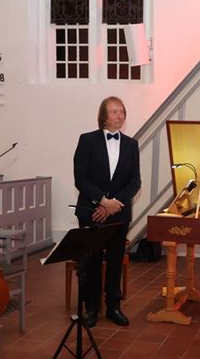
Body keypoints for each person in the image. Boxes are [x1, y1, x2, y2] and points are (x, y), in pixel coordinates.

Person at [73, 96, 141, 328]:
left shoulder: (132, 144)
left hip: (119, 214)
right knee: (91, 261)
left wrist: (113, 204)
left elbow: (135, 182)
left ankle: (113, 306)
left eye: (122, 111)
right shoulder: (87, 140)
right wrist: (102, 201)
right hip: (91, 211)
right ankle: (91, 308)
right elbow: (80, 178)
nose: (119, 116)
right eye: (114, 112)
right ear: (104, 116)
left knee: (114, 261)